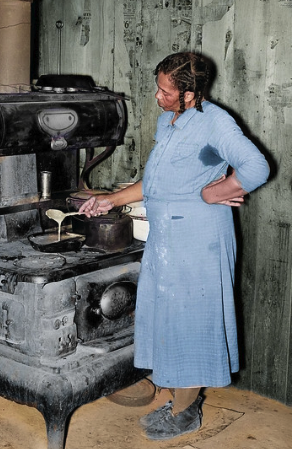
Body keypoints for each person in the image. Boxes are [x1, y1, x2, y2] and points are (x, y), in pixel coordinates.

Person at [79, 52, 269, 441]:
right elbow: (156, 183)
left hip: (200, 241)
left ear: (189, 93)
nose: (157, 96)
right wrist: (110, 200)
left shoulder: (216, 123)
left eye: (166, 91)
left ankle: (187, 411)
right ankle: (180, 397)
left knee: (192, 323)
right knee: (169, 318)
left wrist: (218, 191)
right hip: (168, 239)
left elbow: (257, 167)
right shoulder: (170, 121)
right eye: (158, 87)